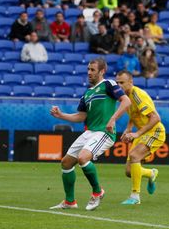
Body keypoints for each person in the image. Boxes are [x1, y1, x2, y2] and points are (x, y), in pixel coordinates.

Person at [49, 59, 131, 211]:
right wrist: (61, 115)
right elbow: (81, 116)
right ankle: (70, 202)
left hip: (104, 132)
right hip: (90, 132)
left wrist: (113, 119)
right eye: (88, 69)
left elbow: (126, 102)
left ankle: (97, 192)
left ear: (102, 71)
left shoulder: (109, 84)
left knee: (83, 158)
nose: (89, 72)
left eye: (92, 70)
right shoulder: (87, 93)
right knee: (66, 163)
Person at [115, 71, 164, 205]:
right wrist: (129, 128)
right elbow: (134, 113)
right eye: (117, 82)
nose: (119, 85)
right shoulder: (126, 97)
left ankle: (135, 196)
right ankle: (150, 173)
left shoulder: (137, 95)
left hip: (155, 131)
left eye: (122, 82)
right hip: (143, 133)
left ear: (131, 82)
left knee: (135, 155)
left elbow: (156, 118)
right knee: (129, 171)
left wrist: (136, 134)